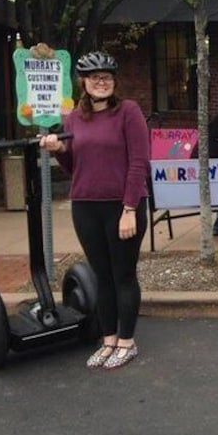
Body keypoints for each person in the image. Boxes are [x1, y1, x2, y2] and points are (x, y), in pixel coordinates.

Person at [40, 51, 149, 370]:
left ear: (114, 82)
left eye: (106, 77)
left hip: (122, 205)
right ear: (83, 83)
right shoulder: (74, 118)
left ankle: (127, 342)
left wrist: (130, 208)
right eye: (93, 78)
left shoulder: (128, 112)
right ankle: (109, 339)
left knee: (123, 274)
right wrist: (59, 150)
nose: (100, 83)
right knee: (102, 276)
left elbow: (139, 162)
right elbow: (75, 166)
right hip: (86, 205)